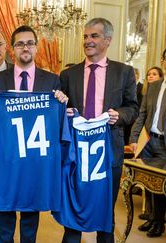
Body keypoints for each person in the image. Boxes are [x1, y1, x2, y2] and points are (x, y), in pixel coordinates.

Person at [0, 25, 68, 243]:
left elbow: (58, 119)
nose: (25, 47)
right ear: (12, 49)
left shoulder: (52, 81)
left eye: (30, 43)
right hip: (8, 155)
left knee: (30, 211)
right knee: (6, 210)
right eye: (20, 43)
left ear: (37, 47)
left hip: (35, 156)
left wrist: (60, 102)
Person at [60, 17, 139, 243]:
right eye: (85, 36)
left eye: (94, 36)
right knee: (73, 209)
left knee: (106, 213)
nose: (88, 41)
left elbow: (132, 107)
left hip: (109, 153)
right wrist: (63, 113)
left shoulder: (124, 72)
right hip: (77, 153)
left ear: (108, 40)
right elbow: (60, 106)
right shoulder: (68, 74)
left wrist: (119, 116)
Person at [129, 51, 166, 238]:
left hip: (163, 146)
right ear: (163, 61)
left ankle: (159, 222)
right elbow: (142, 114)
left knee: (159, 186)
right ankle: (152, 217)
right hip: (148, 141)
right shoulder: (154, 86)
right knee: (149, 184)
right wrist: (134, 139)